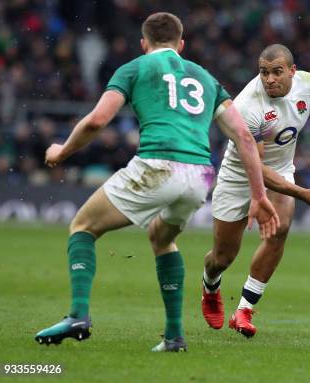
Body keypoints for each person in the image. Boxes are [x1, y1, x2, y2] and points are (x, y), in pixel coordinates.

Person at [34, 12, 279, 352]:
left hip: (157, 165)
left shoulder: (135, 67)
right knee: (162, 237)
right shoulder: (206, 78)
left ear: (143, 43)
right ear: (181, 45)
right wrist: (258, 195)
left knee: (83, 227)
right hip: (199, 176)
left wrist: (62, 151)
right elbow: (244, 137)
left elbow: (98, 120)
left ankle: (78, 314)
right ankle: (175, 336)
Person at [200, 44, 310, 338]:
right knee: (223, 257)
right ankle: (210, 287)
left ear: (292, 70)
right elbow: (256, 167)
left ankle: (244, 310)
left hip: (282, 169)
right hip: (240, 173)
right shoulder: (247, 107)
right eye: (264, 72)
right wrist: (305, 194)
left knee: (280, 229)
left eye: (277, 72)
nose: (269, 79)